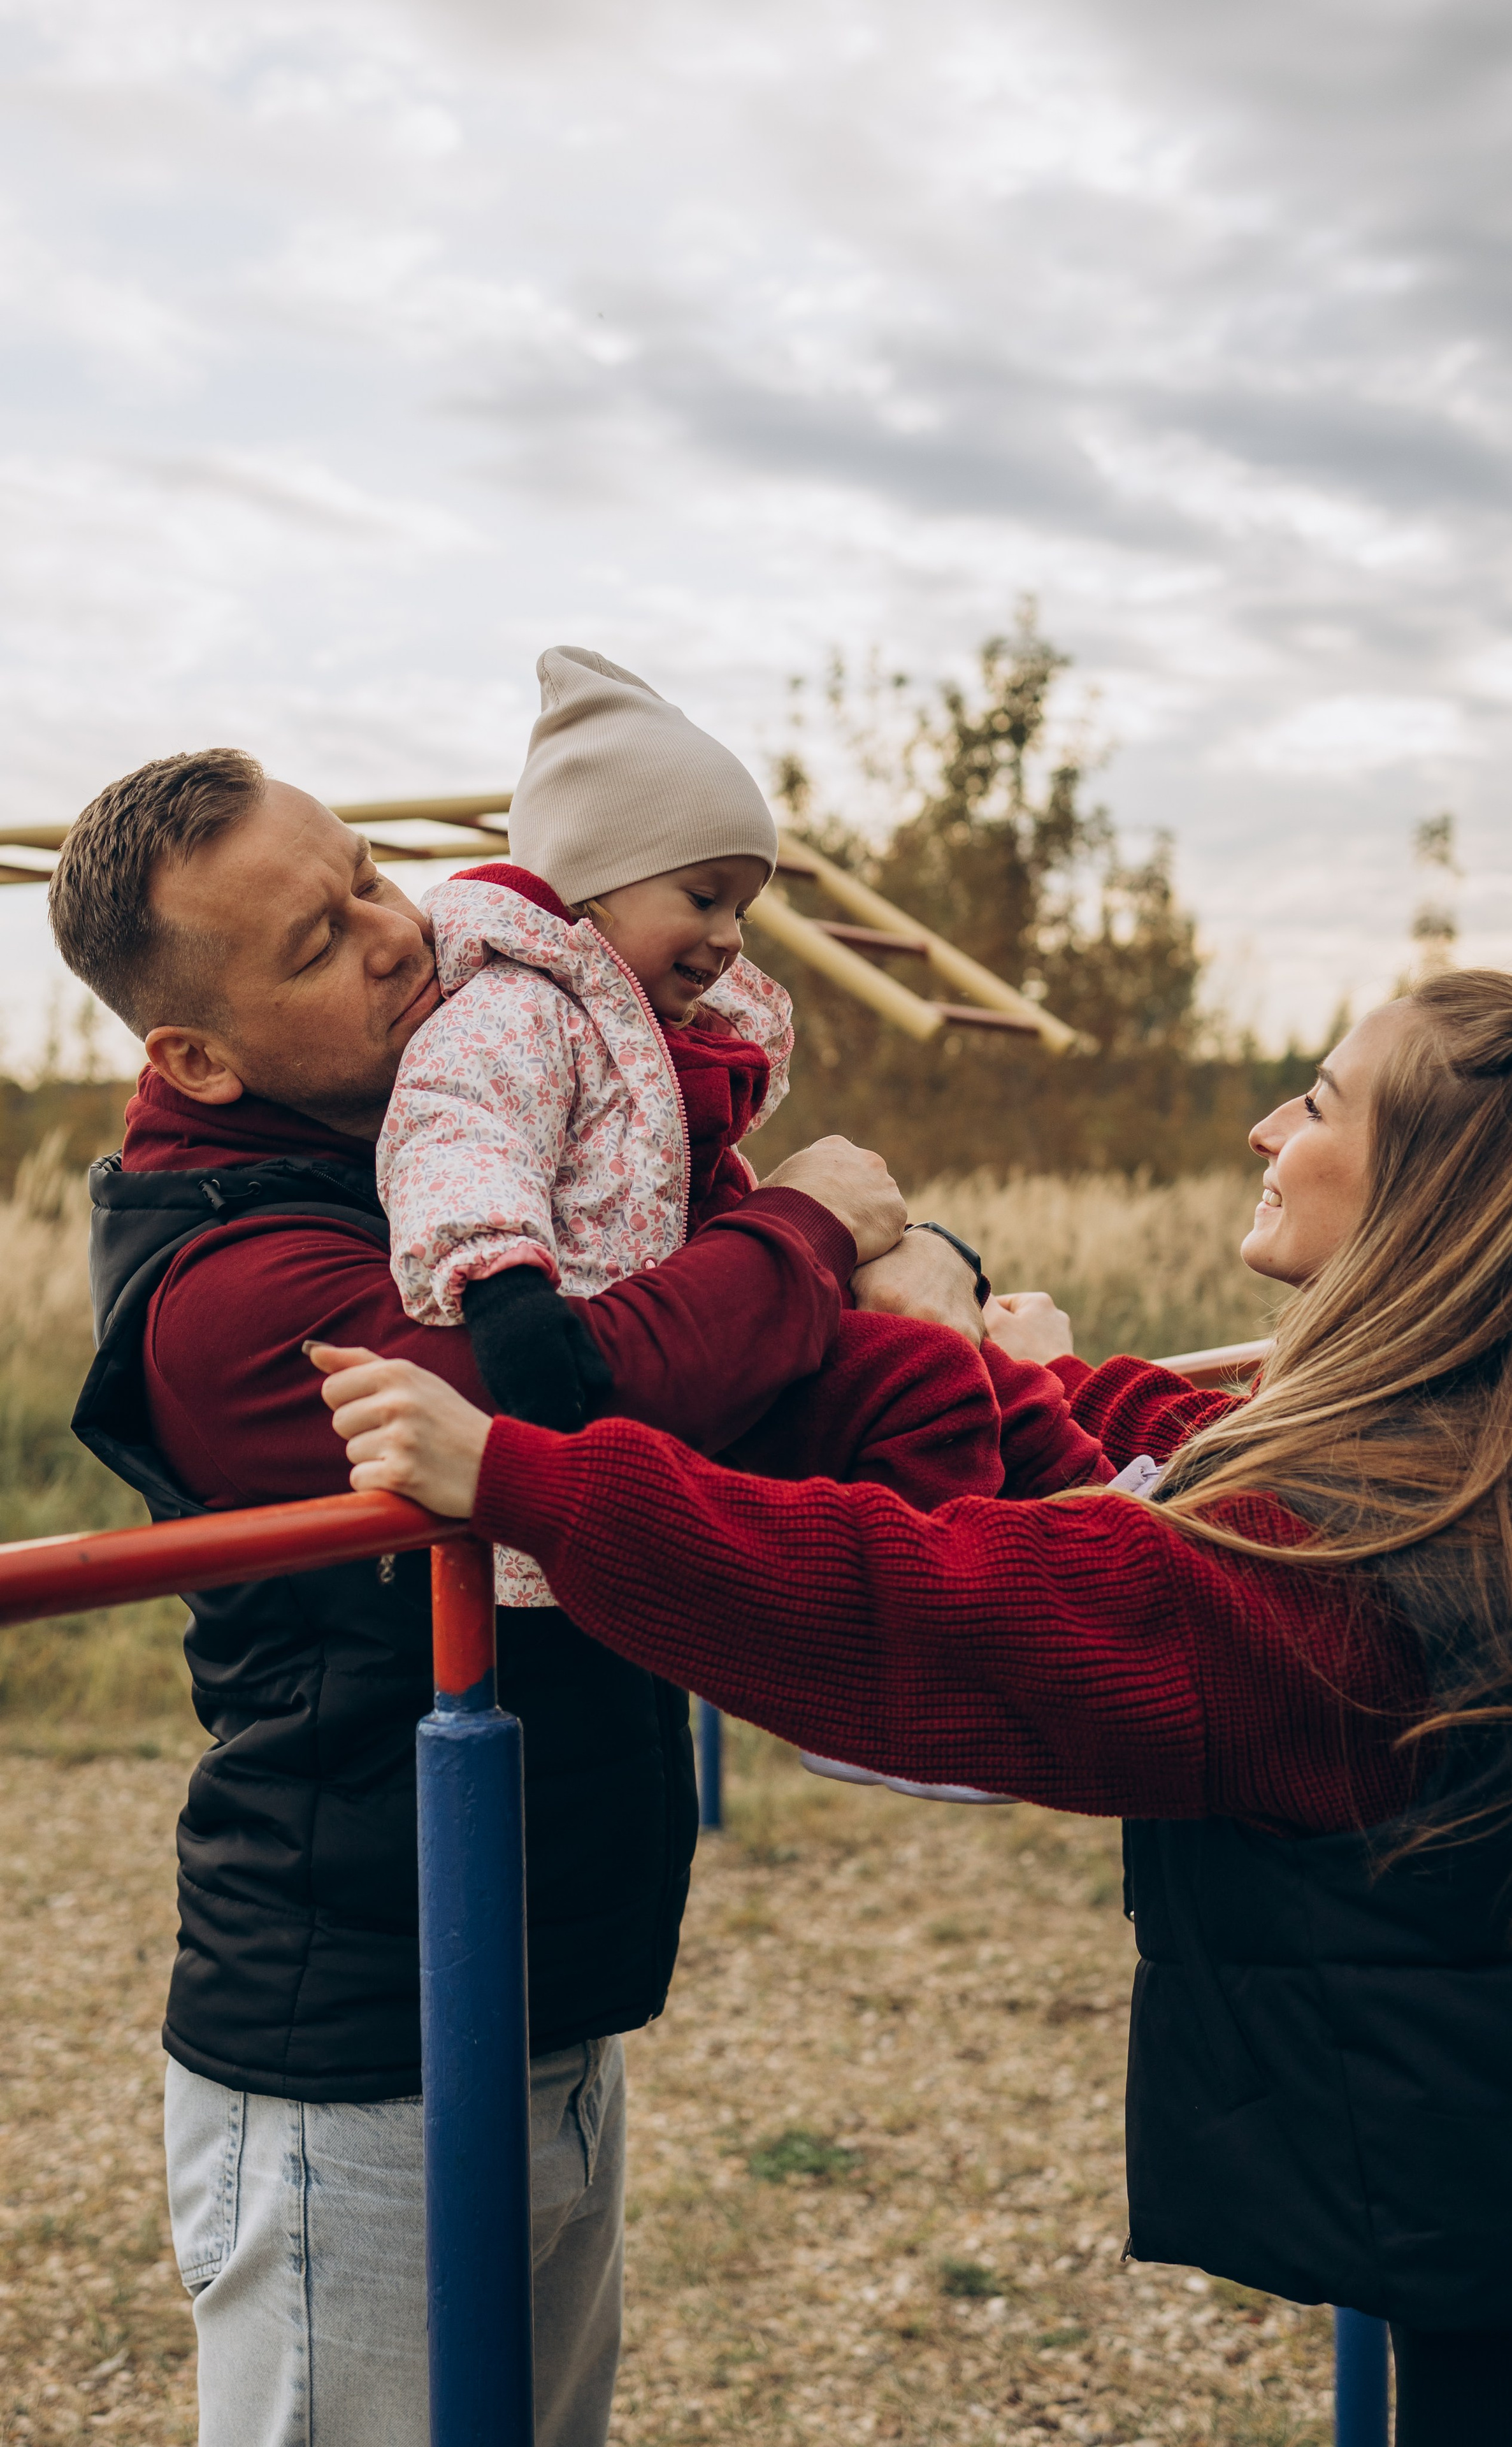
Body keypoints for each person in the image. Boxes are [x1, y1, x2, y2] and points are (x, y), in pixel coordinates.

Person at [313, 969, 1512, 2447]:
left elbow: (945, 1611)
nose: (1266, 1127)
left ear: (1430, 1200)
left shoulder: (1354, 1581)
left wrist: (527, 1481)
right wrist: (1036, 1376)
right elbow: (1218, 1469)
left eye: (1316, 1104)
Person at [45, 744, 996, 2447]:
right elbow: (572, 1402)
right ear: (194, 1052)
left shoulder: (439, 1126)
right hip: (362, 2030)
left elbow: (705, 1349)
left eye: (363, 879)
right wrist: (812, 1233)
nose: (393, 936)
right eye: (315, 945)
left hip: (537, 1974)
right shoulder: (233, 1281)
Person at [378, 645, 1104, 1626]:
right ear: (594, 883)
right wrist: (506, 1291)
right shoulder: (520, 1009)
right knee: (915, 1379)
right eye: (703, 896)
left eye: (744, 908)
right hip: (589, 1377)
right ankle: (925, 1630)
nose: (730, 936)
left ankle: (1096, 1520)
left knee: (945, 1356)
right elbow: (459, 1130)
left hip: (707, 1358)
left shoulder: (655, 1041)